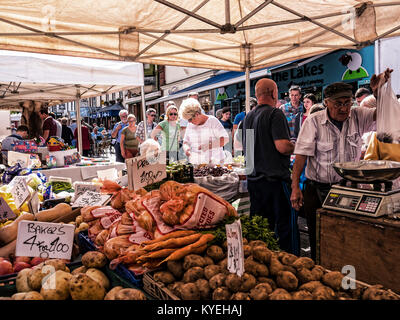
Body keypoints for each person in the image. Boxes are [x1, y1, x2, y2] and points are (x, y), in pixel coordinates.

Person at [290, 68, 392, 261]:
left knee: (347, 238)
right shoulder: (313, 122)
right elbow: (301, 156)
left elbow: (383, 114)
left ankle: (345, 274)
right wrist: (295, 187)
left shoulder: (358, 115)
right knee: (318, 238)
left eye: (347, 103)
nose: (344, 108)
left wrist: (378, 92)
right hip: (317, 191)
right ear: (326, 103)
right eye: (338, 104)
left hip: (348, 190)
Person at [242, 78, 297, 254]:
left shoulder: (248, 117)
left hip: (255, 182)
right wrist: (297, 145)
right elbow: (282, 146)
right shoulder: (275, 114)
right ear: (273, 94)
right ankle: (290, 265)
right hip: (275, 182)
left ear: (257, 95)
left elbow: (248, 153)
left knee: (262, 231)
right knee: (285, 229)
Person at [181, 98, 229, 165]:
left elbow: (225, 139)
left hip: (215, 164)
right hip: (197, 164)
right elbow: (185, 142)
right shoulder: (190, 125)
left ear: (197, 114)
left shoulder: (212, 121)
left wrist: (208, 145)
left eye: (190, 119)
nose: (189, 122)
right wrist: (187, 149)